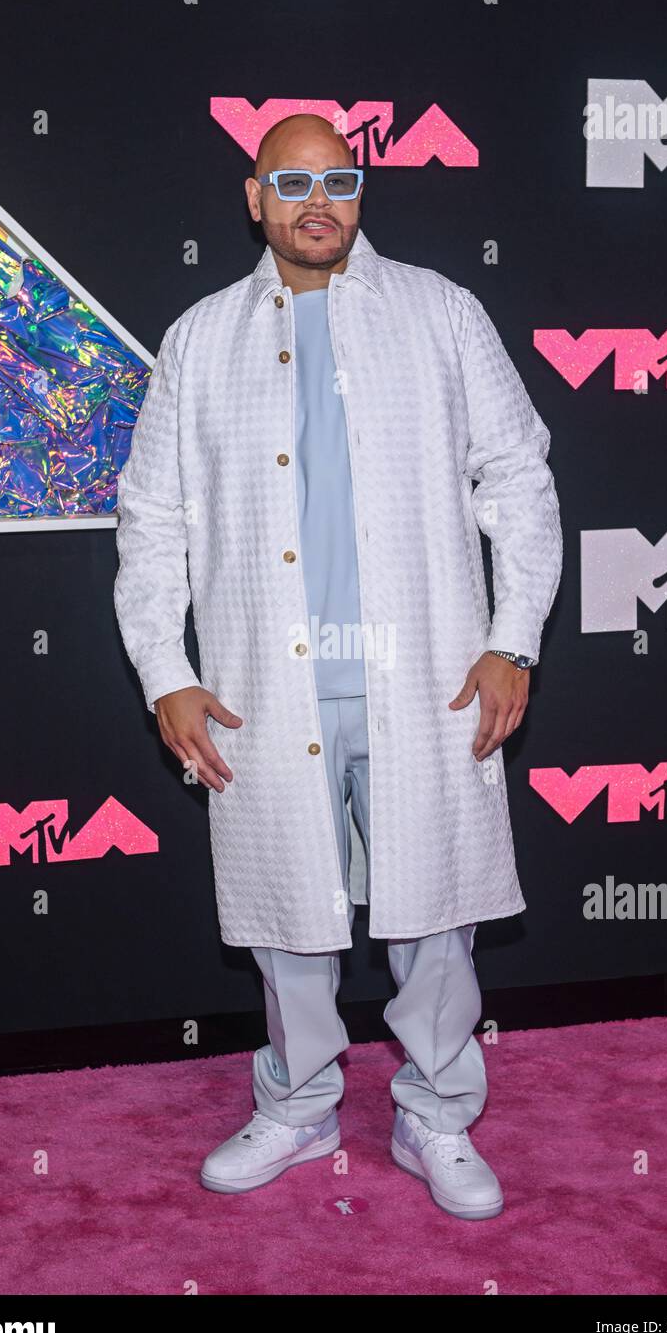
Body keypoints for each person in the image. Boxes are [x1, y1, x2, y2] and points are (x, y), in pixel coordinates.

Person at [113, 113, 562, 1221]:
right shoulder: (197, 339)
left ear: (362, 192)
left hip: (424, 676)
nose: (320, 200)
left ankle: (438, 1112)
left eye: (341, 178)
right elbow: (150, 521)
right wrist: (165, 670)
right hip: (267, 680)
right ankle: (300, 1101)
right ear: (254, 196)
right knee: (288, 919)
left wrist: (514, 639)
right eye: (293, 180)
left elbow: (520, 481)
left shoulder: (442, 313)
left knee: (435, 915)